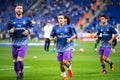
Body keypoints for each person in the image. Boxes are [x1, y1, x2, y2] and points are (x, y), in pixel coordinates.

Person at [7, 4, 33, 80]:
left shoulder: (26, 20)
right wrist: (10, 31)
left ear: (22, 10)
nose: (19, 9)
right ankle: (18, 75)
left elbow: (32, 28)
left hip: (23, 43)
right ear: (15, 10)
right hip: (14, 44)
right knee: (15, 61)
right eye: (18, 8)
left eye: (20, 8)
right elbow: (8, 30)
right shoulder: (11, 21)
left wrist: (28, 31)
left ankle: (21, 73)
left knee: (19, 59)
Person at [50, 14, 76, 80]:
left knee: (65, 61)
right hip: (59, 48)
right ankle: (64, 76)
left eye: (61, 18)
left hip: (67, 46)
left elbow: (74, 35)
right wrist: (52, 38)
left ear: (64, 19)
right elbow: (51, 36)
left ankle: (69, 68)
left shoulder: (69, 27)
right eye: (59, 18)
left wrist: (70, 39)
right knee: (61, 64)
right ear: (58, 19)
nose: (60, 20)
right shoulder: (55, 27)